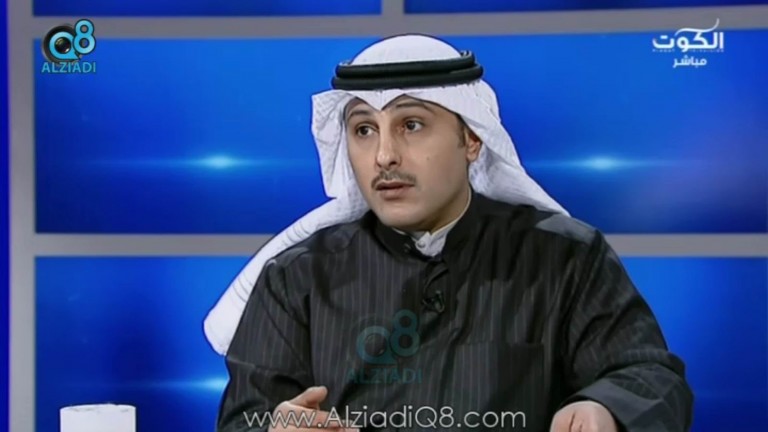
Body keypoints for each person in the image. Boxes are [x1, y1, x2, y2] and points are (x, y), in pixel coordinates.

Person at [212, 34, 693, 432]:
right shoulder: (297, 277)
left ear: (472, 139)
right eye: (363, 130)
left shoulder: (564, 257)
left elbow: (648, 377)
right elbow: (244, 418)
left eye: (411, 124)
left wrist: (604, 407)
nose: (384, 156)